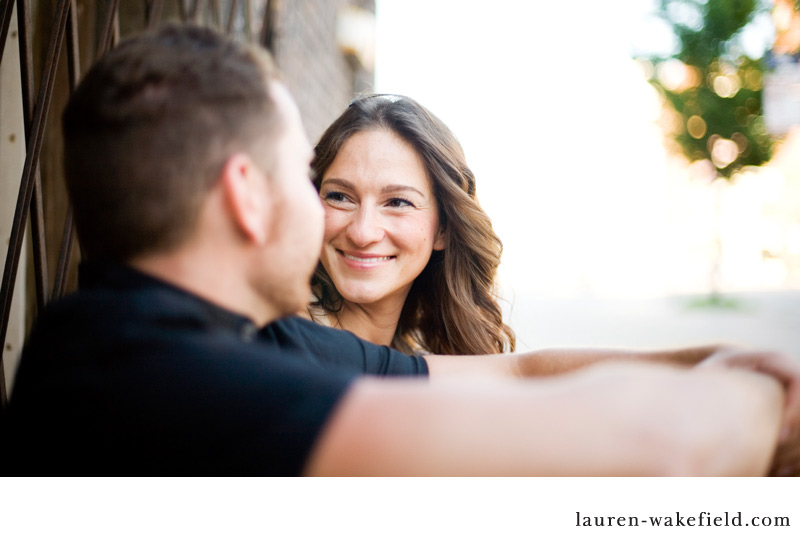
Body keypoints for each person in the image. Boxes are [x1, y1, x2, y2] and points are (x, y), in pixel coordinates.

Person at [4, 24, 799, 476]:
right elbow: (662, 453)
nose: (340, 222)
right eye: (309, 180)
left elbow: (517, 370)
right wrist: (761, 400)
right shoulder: (151, 379)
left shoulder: (245, 340)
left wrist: (727, 360)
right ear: (249, 194)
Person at [308, 93, 514, 355]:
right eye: (339, 197)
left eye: (397, 202)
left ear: (444, 228)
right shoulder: (275, 339)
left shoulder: (420, 361)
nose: (362, 232)